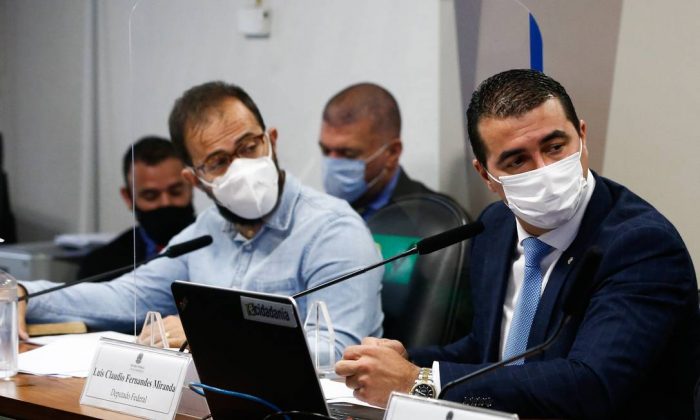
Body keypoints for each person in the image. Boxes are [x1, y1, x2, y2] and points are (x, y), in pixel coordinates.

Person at [335, 69, 700, 419]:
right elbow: (488, 352)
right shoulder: (495, 227)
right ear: (487, 175)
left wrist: (421, 382)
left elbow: (591, 386)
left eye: (555, 146)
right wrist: (406, 361)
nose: (543, 169)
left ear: (582, 136)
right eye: (517, 160)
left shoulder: (641, 245)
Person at [19, 81, 384, 354]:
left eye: (248, 146)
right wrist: (21, 295)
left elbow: (338, 352)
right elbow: (122, 297)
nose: (241, 166)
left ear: (271, 140)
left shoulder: (333, 230)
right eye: (219, 161)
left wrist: (211, 335)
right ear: (196, 180)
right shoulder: (207, 233)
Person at [77, 137, 195, 280]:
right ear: (128, 197)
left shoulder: (221, 248)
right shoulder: (100, 267)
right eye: (151, 196)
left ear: (191, 184)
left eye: (175, 191)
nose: (166, 202)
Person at [319, 83, 443, 220]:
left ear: (392, 153)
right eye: (325, 150)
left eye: (348, 153)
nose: (333, 163)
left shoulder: (439, 220)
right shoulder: (311, 217)